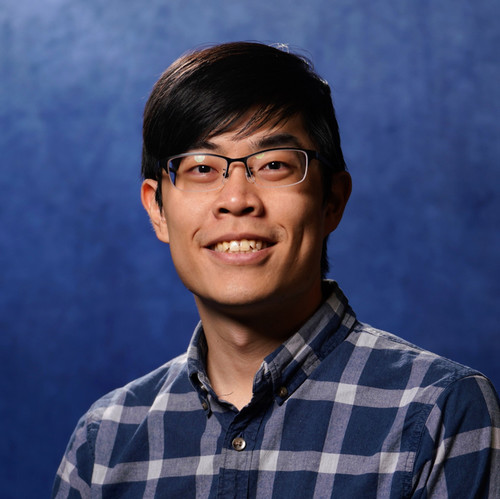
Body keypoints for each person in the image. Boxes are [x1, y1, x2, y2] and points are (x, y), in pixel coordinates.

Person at [53, 42, 500, 498]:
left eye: (273, 164)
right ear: (158, 209)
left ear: (332, 201)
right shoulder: (104, 443)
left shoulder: (437, 411)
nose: (237, 199)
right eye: (203, 167)